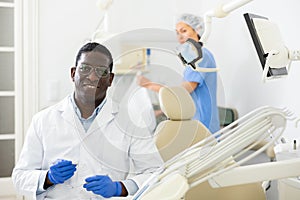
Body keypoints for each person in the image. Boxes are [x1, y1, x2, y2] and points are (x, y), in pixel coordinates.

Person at [12, 42, 163, 199]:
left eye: (101, 71)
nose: (92, 77)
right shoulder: (43, 120)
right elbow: (20, 177)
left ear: (110, 79)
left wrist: (120, 187)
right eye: (84, 68)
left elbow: (155, 172)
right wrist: (48, 178)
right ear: (73, 73)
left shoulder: (131, 121)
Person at [137, 13, 220, 134]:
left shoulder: (201, 57)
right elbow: (189, 98)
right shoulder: (194, 58)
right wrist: (161, 112)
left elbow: (181, 93)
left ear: (197, 30)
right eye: (177, 32)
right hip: (197, 122)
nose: (180, 36)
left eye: (184, 30)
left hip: (202, 125)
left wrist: (149, 84)